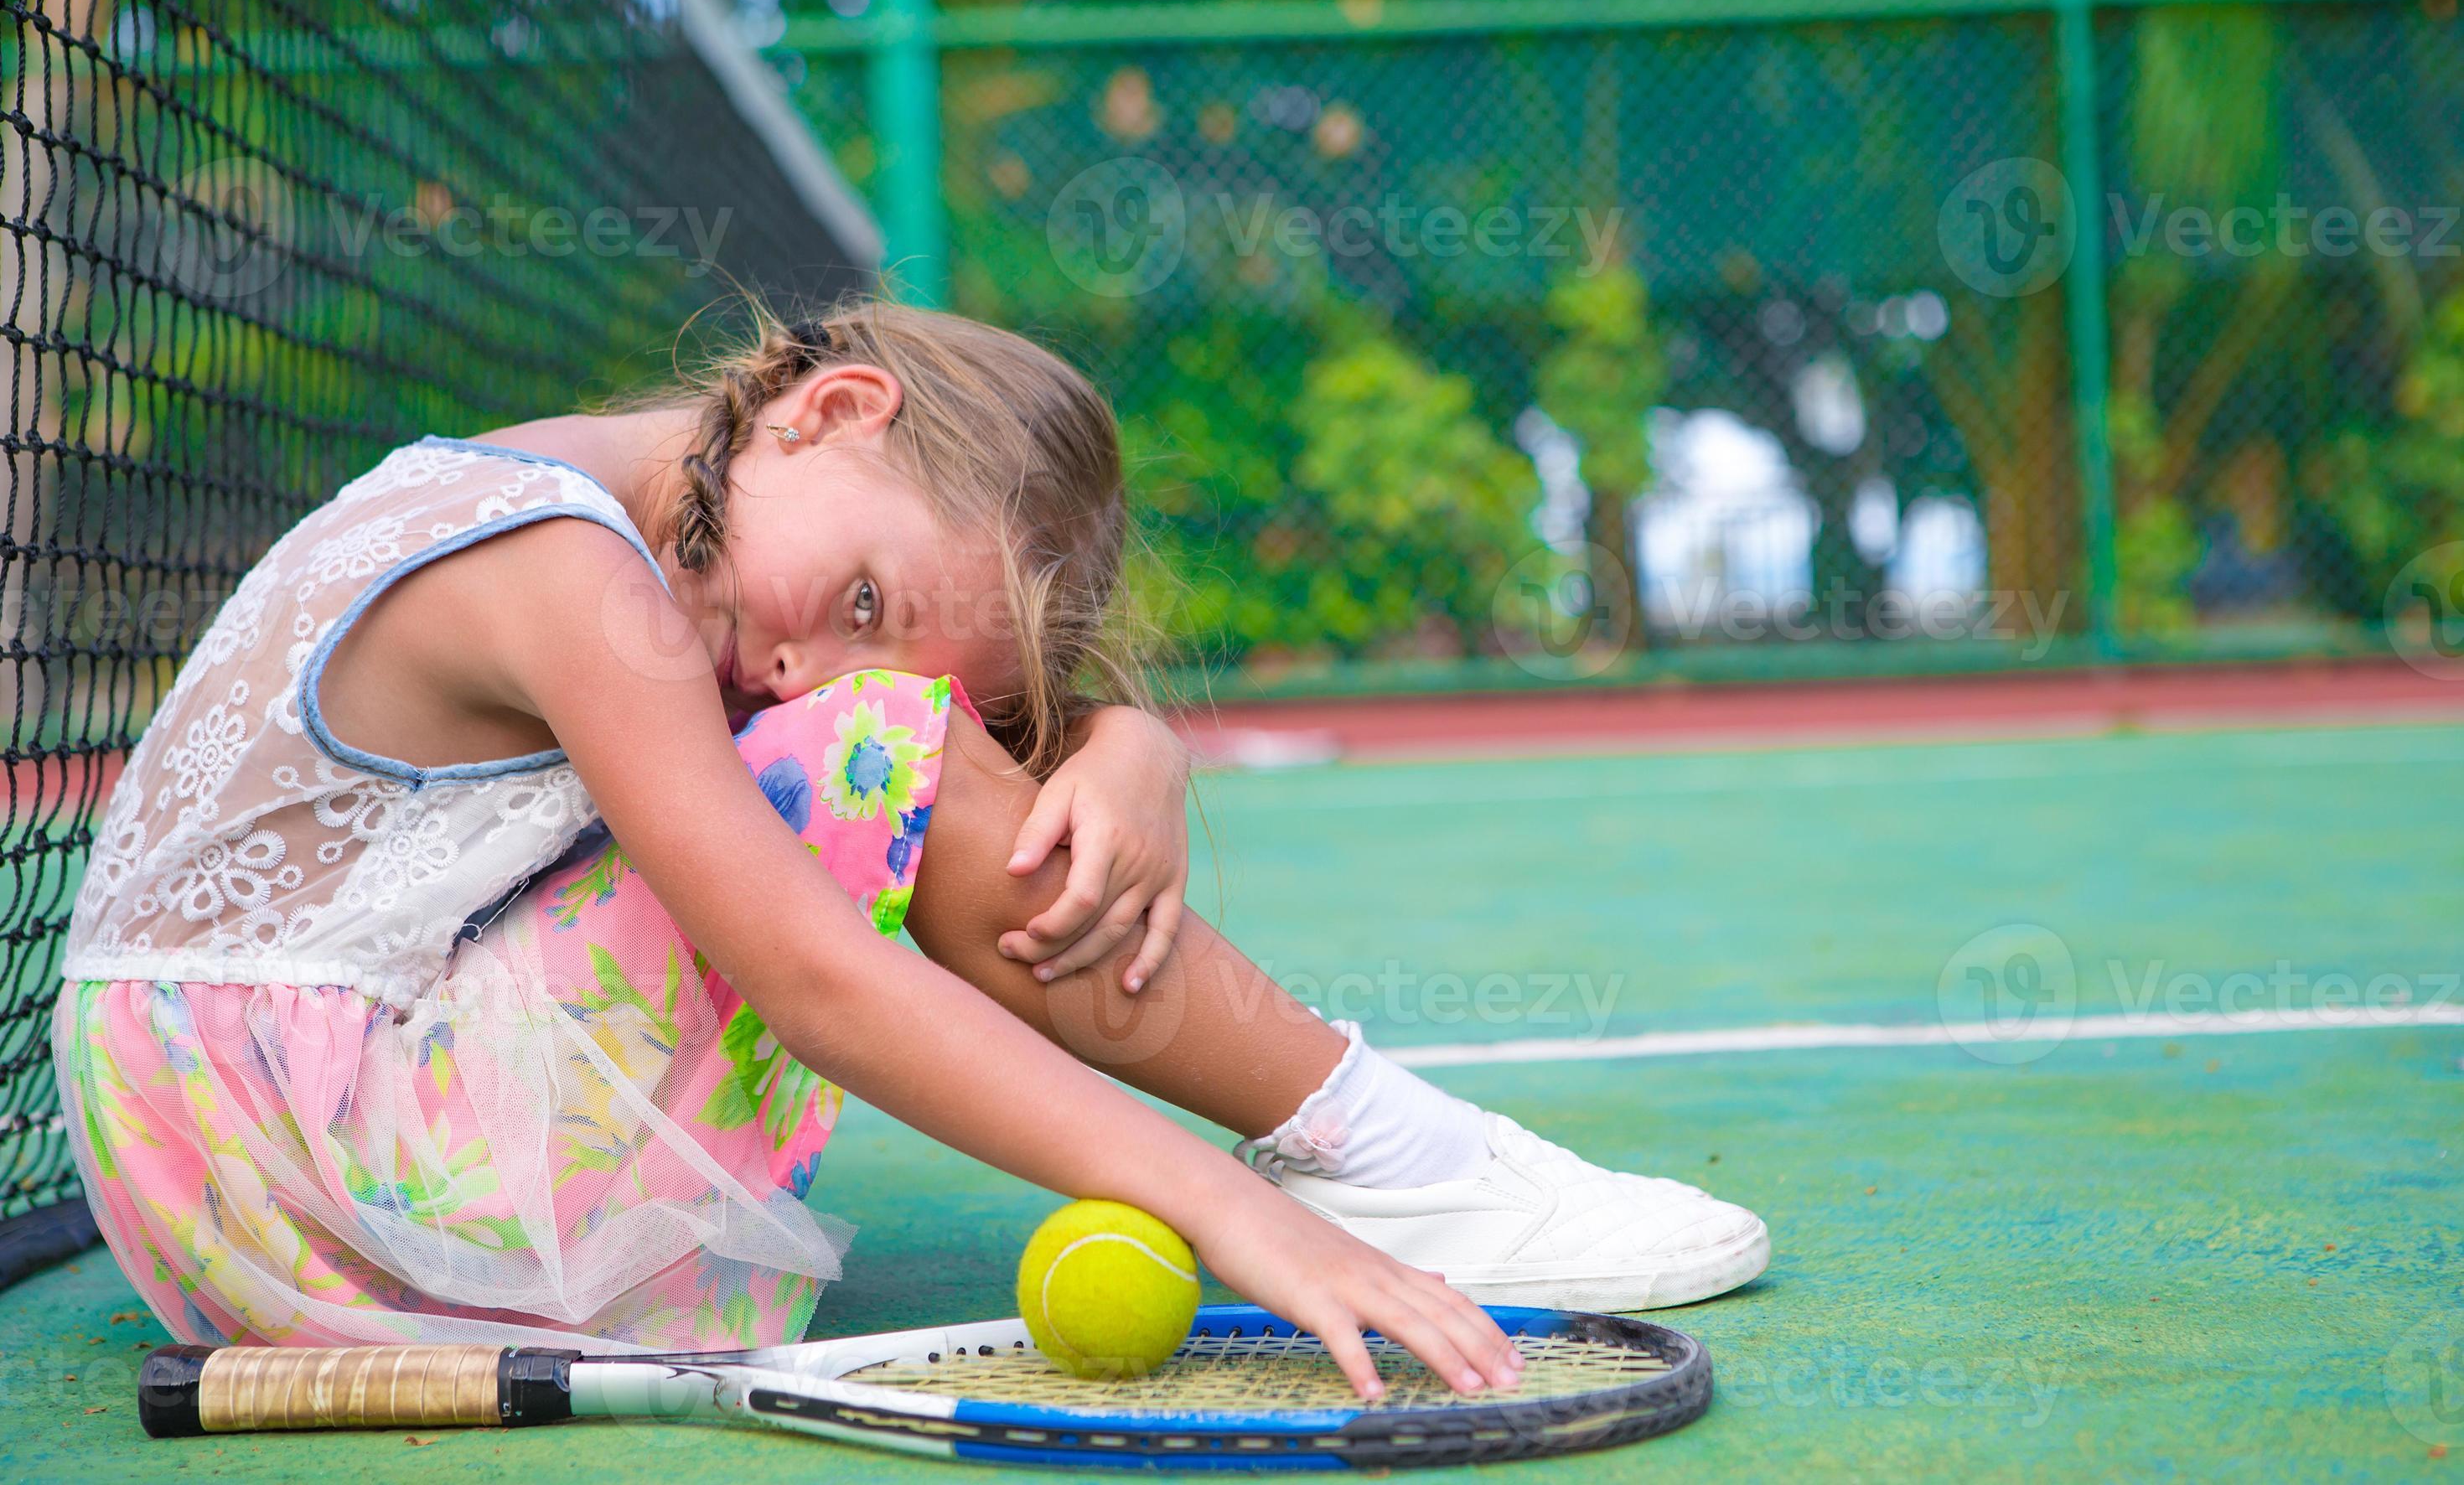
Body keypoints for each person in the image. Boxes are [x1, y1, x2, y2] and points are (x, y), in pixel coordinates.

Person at [54, 300, 1767, 1399]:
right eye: (862, 600)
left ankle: (1381, 1138)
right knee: (883, 751)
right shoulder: (571, 569)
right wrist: (1234, 1211)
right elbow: (818, 971)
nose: (797, 672)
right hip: (306, 1163)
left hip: (209, 1163)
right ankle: (1380, 1154)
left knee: (890, 737)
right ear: (834, 405)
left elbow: (933, 769)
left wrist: (1132, 742)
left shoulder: (649, 516)